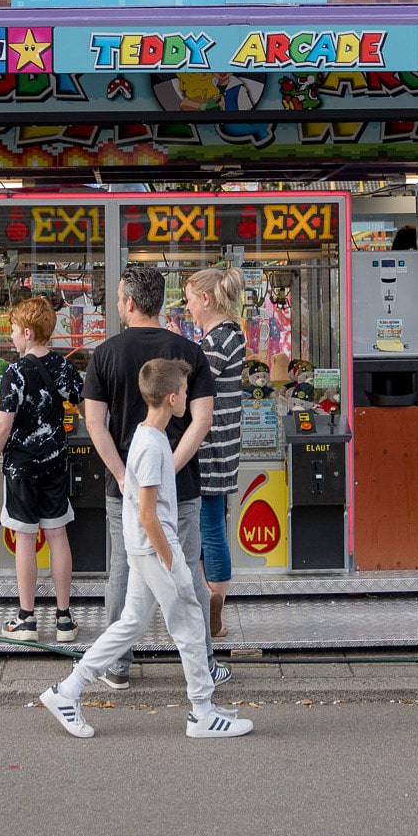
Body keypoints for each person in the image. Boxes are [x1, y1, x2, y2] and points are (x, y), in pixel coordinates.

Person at [38, 358, 251, 740]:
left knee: (131, 624)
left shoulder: (146, 435)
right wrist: (174, 565)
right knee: (189, 623)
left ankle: (68, 690)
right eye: (184, 391)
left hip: (143, 548)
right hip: (155, 551)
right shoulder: (153, 446)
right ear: (172, 398)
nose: (187, 396)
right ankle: (202, 712)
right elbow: (150, 515)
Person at [83, 263, 217, 690]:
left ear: (129, 302)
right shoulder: (189, 352)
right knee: (187, 569)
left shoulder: (105, 354)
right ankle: (203, 665)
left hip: (123, 489)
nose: (117, 303)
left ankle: (116, 667)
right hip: (182, 487)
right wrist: (168, 470)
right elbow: (202, 419)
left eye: (118, 297)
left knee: (123, 572)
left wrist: (126, 475)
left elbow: (95, 423)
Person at [0, 296, 82, 644]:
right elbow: (83, 401)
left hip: (21, 467)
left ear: (27, 332)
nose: (11, 336)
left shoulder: (15, 372)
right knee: (58, 535)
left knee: (26, 538)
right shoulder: (63, 365)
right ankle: (64, 618)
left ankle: (26, 618)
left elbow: (4, 424)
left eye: (13, 330)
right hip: (56, 462)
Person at [185, 266, 246, 639]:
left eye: (190, 300)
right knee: (212, 525)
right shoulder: (231, 334)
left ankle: (214, 611)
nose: (188, 308)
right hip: (222, 445)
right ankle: (211, 605)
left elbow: (188, 388)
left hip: (209, 448)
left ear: (206, 299)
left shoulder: (216, 342)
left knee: (208, 529)